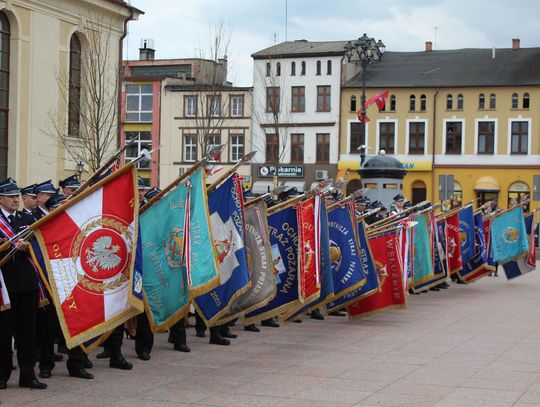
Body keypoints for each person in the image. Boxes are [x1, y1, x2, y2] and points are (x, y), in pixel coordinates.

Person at [0, 178, 47, 389]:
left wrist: (26, 246)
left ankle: (28, 375)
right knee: (3, 332)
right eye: (9, 196)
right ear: (0, 198)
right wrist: (11, 246)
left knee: (28, 333)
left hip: (27, 284)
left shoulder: (24, 218)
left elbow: (36, 244)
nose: (14, 200)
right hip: (5, 286)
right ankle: (2, 375)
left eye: (15, 196)